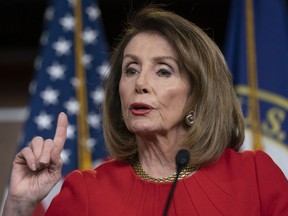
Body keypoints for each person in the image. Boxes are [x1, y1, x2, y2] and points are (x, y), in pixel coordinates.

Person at [3, 6, 288, 216]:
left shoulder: (255, 177)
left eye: (163, 71)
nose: (140, 83)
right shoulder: (87, 193)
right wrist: (18, 206)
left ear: (199, 95)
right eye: (130, 70)